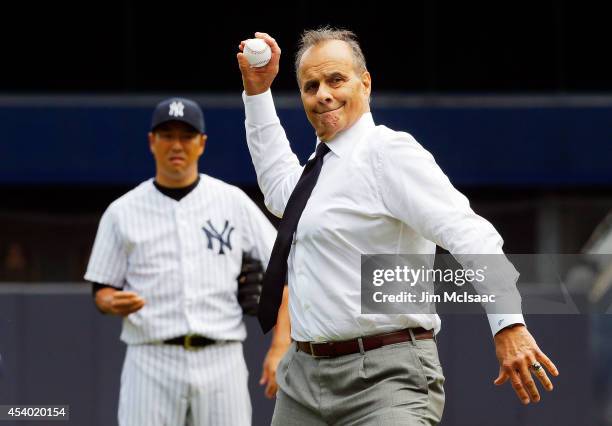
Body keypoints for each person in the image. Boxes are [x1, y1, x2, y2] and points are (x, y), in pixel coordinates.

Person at [236, 28, 559, 425]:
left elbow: (471, 233)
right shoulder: (315, 171)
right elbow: (275, 187)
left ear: (365, 83)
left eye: (336, 79)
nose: (323, 93)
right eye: (310, 85)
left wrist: (508, 322)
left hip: (386, 376)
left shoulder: (387, 152)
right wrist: (257, 93)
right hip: (303, 380)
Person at [84, 97, 290, 426]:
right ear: (152, 142)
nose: (176, 144)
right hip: (150, 357)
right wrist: (110, 301)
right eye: (167, 135)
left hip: (222, 356)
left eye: (186, 135)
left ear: (201, 143)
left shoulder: (231, 201)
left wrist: (281, 346)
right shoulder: (122, 211)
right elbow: (101, 289)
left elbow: (286, 272)